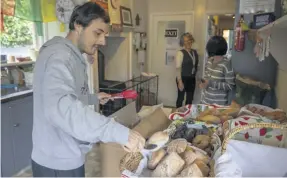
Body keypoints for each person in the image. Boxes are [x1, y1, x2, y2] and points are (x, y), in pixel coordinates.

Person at [31, 2, 145, 177]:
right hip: (57, 162)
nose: (103, 41)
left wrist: (92, 98)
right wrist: (117, 132)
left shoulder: (71, 56)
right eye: (97, 33)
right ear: (78, 25)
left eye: (105, 35)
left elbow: (67, 96)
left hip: (65, 154)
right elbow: (62, 108)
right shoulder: (59, 57)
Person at [200, 36, 235, 106]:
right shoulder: (209, 61)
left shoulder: (226, 64)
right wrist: (204, 84)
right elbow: (206, 78)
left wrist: (211, 83)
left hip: (218, 104)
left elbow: (230, 85)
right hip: (205, 101)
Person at [176, 32, 199, 108]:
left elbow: (196, 66)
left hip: (191, 78)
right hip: (182, 78)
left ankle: (187, 115)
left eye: (189, 40)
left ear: (191, 40)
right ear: (183, 43)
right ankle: (177, 115)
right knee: (181, 98)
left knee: (190, 99)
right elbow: (178, 68)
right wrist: (179, 81)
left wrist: (197, 78)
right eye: (185, 41)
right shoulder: (180, 53)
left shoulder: (195, 52)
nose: (188, 42)